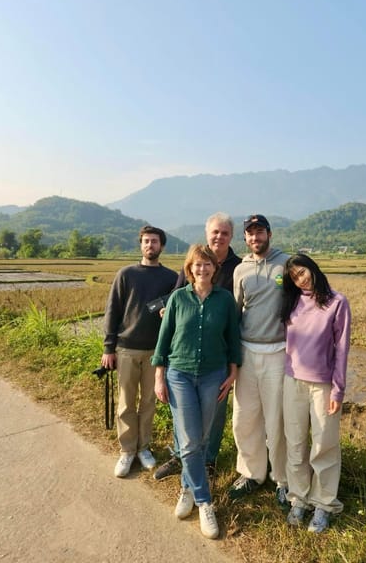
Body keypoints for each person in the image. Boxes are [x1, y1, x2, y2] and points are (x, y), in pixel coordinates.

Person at [152, 244, 241, 539]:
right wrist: (159, 377)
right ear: (189, 269)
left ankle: (187, 488)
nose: (202, 269)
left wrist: (234, 371)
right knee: (190, 442)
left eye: (208, 265)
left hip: (213, 376)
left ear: (215, 268)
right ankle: (205, 502)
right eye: (196, 265)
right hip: (179, 375)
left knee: (201, 439)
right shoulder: (178, 298)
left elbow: (233, 339)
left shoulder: (225, 300)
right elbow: (164, 340)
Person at [280, 254, 351, 533]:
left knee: (325, 444)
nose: (302, 278)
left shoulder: (337, 302)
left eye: (303, 271)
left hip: (323, 385)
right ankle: (298, 498)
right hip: (293, 381)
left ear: (313, 268)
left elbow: (342, 350)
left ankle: (323, 504)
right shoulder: (292, 302)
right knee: (295, 443)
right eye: (295, 276)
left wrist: (338, 389)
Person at [101, 225, 178, 478]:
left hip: (156, 351)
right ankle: (126, 450)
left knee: (148, 402)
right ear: (141, 245)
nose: (150, 245)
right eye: (146, 241)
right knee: (126, 402)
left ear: (161, 246)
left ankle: (144, 447)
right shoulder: (126, 274)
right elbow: (113, 311)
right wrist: (108, 347)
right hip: (126, 349)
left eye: (154, 241)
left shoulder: (171, 278)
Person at [229, 214, 290, 504]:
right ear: (245, 238)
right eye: (250, 233)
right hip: (247, 353)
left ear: (269, 234)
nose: (255, 238)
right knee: (244, 417)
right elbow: (236, 311)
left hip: (278, 352)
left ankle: (283, 479)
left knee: (277, 418)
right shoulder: (241, 270)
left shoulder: (286, 264)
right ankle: (252, 473)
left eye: (260, 232)